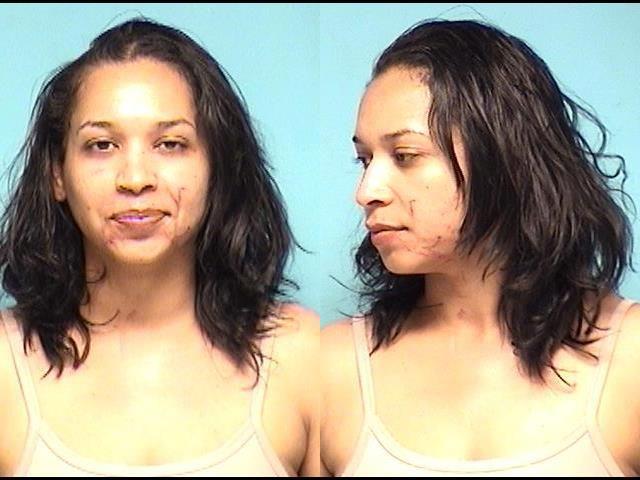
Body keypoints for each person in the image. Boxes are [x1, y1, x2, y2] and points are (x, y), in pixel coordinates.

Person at [0, 17, 319, 476]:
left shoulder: (299, 354)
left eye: (170, 144)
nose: (135, 179)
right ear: (57, 174)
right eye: (101, 145)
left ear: (217, 167)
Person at [321, 18, 638, 476]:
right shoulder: (332, 369)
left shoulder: (630, 358)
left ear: (504, 157)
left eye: (405, 156)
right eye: (365, 160)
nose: (367, 191)